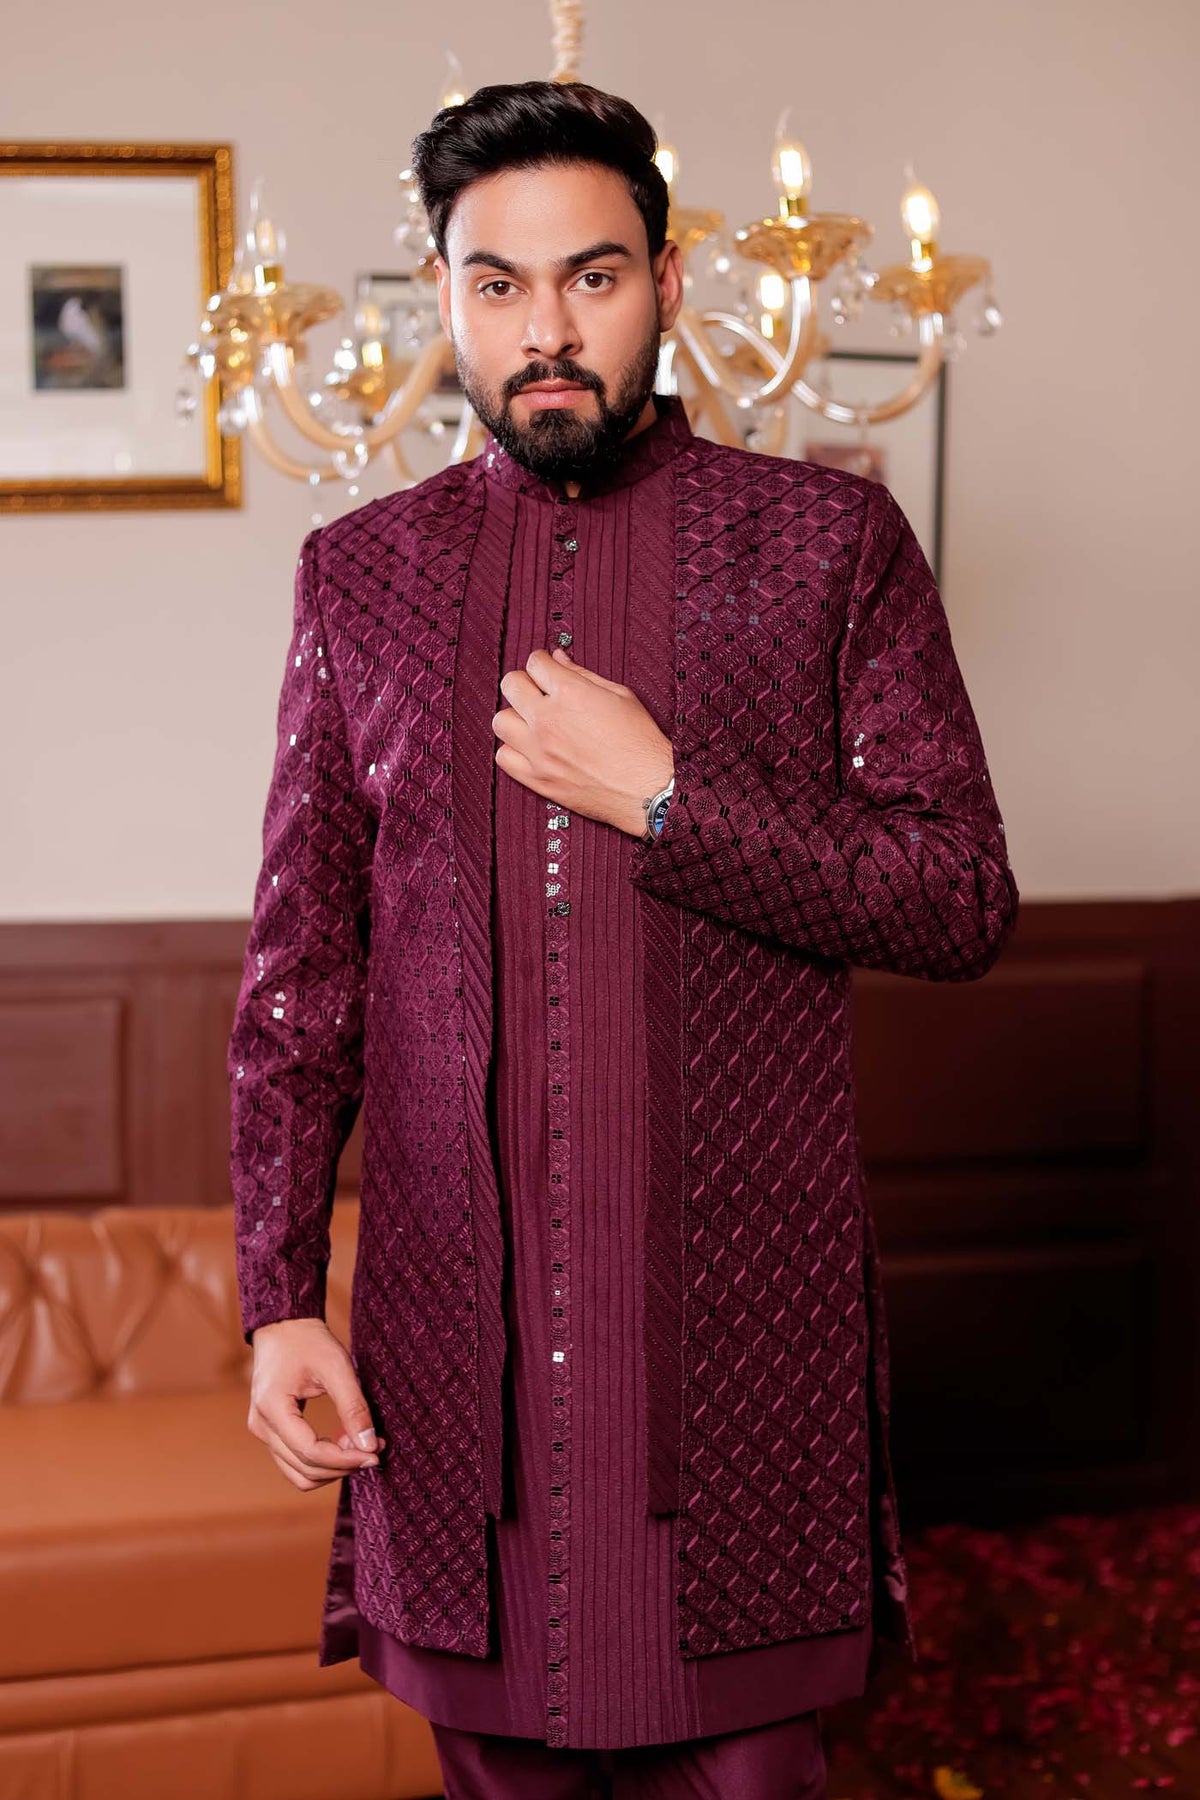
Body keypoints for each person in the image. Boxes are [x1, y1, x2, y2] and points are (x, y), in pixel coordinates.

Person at [227, 78, 1020, 1800]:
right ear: (442, 299)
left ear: (665, 281)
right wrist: (275, 1300)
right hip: (455, 1371)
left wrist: (670, 800)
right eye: (497, 284)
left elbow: (959, 893)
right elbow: (303, 973)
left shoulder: (826, 545)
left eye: (591, 277)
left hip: (738, 1361)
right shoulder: (359, 576)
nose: (546, 332)